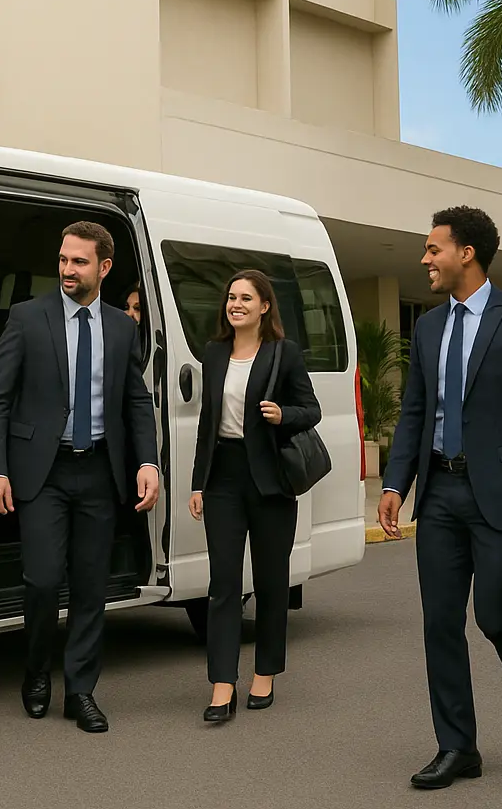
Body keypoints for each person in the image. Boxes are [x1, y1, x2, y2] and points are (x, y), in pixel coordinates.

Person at [378, 206, 502, 790]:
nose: (425, 259)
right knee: (439, 622)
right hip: (439, 491)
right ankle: (457, 747)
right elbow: (415, 411)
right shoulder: (430, 328)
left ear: (466, 252)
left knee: (493, 614)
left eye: (433, 248)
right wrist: (394, 483)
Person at [0, 221, 161, 734]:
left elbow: (135, 401)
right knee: (40, 580)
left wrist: (147, 462)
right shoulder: (26, 318)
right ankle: (37, 672)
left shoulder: (122, 327)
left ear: (103, 268)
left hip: (100, 472)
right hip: (43, 473)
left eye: (79, 262)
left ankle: (80, 690)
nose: (67, 269)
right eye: (63, 259)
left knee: (90, 587)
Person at [187, 269, 320, 722]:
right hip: (223, 476)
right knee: (223, 584)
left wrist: (284, 414)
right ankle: (222, 684)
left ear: (265, 306)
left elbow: (312, 409)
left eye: (246, 297)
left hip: (271, 481)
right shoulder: (214, 353)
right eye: (231, 297)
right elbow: (207, 423)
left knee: (269, 583)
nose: (236, 304)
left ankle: (265, 673)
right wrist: (197, 483)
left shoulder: (284, 354)